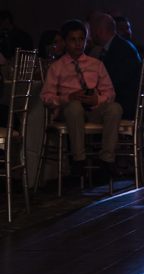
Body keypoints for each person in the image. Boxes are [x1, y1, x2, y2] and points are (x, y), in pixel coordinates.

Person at [41, 20, 123, 177]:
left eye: (81, 39)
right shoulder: (57, 67)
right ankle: (79, 160)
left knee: (115, 108)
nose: (78, 44)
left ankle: (107, 159)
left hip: (93, 109)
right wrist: (68, 97)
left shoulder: (96, 64)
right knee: (74, 107)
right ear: (65, 42)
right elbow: (46, 96)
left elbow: (110, 92)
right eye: (73, 40)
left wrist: (97, 99)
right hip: (69, 110)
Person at [89, 13, 142, 120]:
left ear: (99, 31)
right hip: (121, 102)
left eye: (91, 31)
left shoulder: (122, 50)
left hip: (122, 106)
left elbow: (113, 82)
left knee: (80, 112)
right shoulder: (118, 46)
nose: (90, 35)